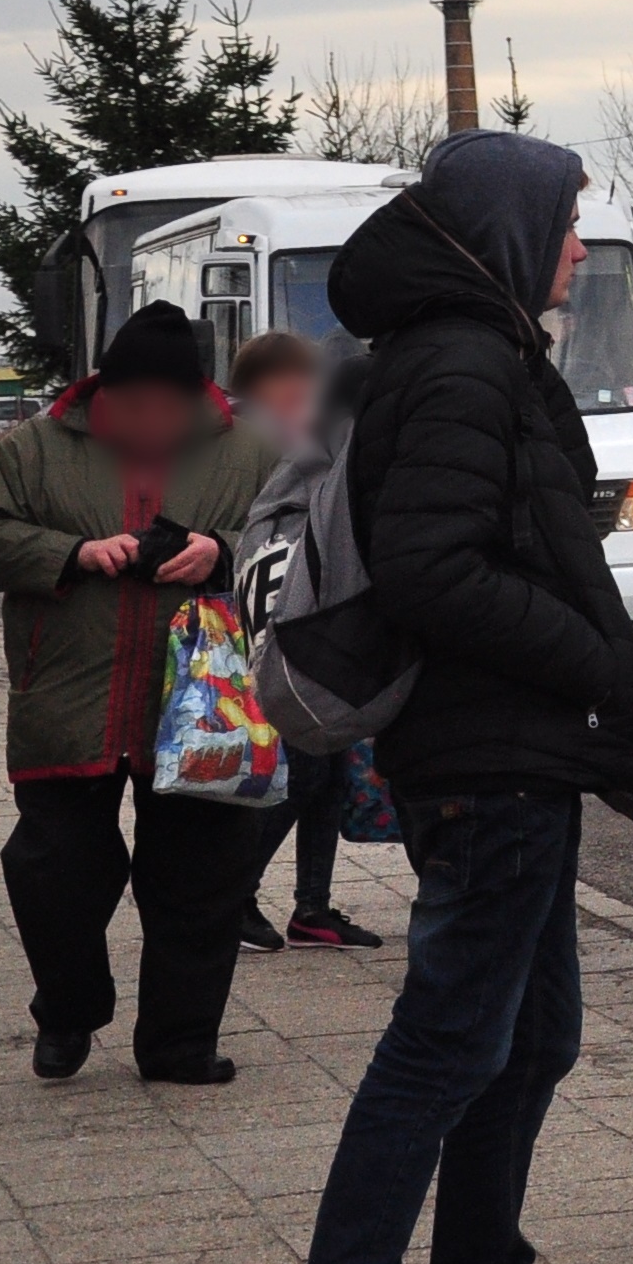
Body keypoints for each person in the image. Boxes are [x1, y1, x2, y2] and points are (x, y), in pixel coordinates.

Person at [274, 132, 633, 1264]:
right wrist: (593, 659)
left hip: (514, 760)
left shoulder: (474, 352)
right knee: (445, 1044)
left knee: (530, 1036)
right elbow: (435, 570)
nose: (570, 248)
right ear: (502, 230)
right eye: (561, 224)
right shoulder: (463, 364)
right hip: (485, 765)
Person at [0, 300, 279, 1084]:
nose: (151, 417)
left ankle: (179, 1044)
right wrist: (72, 553)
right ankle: (67, 1012)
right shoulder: (36, 448)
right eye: (134, 401)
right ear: (105, 389)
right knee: (52, 872)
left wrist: (219, 552)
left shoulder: (253, 453)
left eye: (169, 402)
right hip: (67, 700)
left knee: (199, 883)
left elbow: (293, 546)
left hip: (202, 709)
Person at [224, 330, 387, 955]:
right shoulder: (257, 442)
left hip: (310, 624)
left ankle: (312, 906)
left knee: (328, 770)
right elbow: (257, 527)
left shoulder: (314, 437)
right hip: (285, 630)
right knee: (304, 777)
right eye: (290, 384)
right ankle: (233, 892)